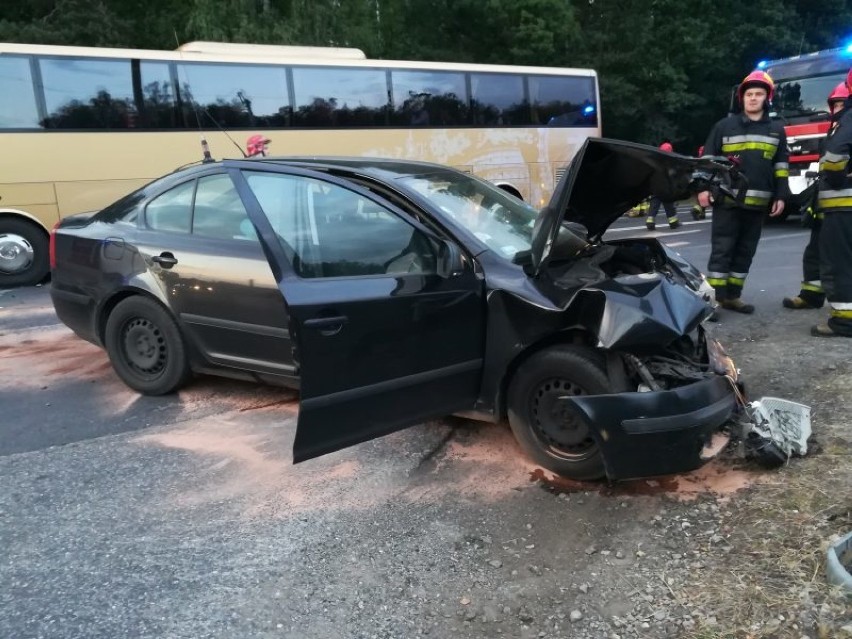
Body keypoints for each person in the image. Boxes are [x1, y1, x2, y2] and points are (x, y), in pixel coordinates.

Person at [698, 70, 789, 314]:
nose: (753, 98)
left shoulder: (776, 130)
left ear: (766, 98)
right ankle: (712, 302)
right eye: (749, 94)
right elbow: (707, 160)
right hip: (727, 199)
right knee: (722, 251)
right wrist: (704, 189)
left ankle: (732, 296)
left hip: (758, 203)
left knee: (745, 250)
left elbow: (781, 166)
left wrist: (781, 196)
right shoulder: (724, 126)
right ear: (742, 98)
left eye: (758, 94)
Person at [782, 81, 850, 310]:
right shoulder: (836, 128)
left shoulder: (845, 126)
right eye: (835, 104)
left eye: (842, 103)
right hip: (826, 199)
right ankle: (811, 295)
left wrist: (836, 181)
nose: (838, 108)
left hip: (842, 201)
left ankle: (844, 312)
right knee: (815, 250)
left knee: (836, 257)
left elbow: (835, 161)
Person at [811, 68, 852, 336]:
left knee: (840, 262)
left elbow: (835, 158)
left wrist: (832, 177)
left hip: (844, 204)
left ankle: (845, 321)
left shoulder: (848, 120)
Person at [645, 142, 681, 230]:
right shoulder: (671, 162)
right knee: (669, 204)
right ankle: (673, 223)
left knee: (654, 204)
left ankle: (650, 221)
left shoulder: (655, 160)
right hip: (666, 188)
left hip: (655, 187)